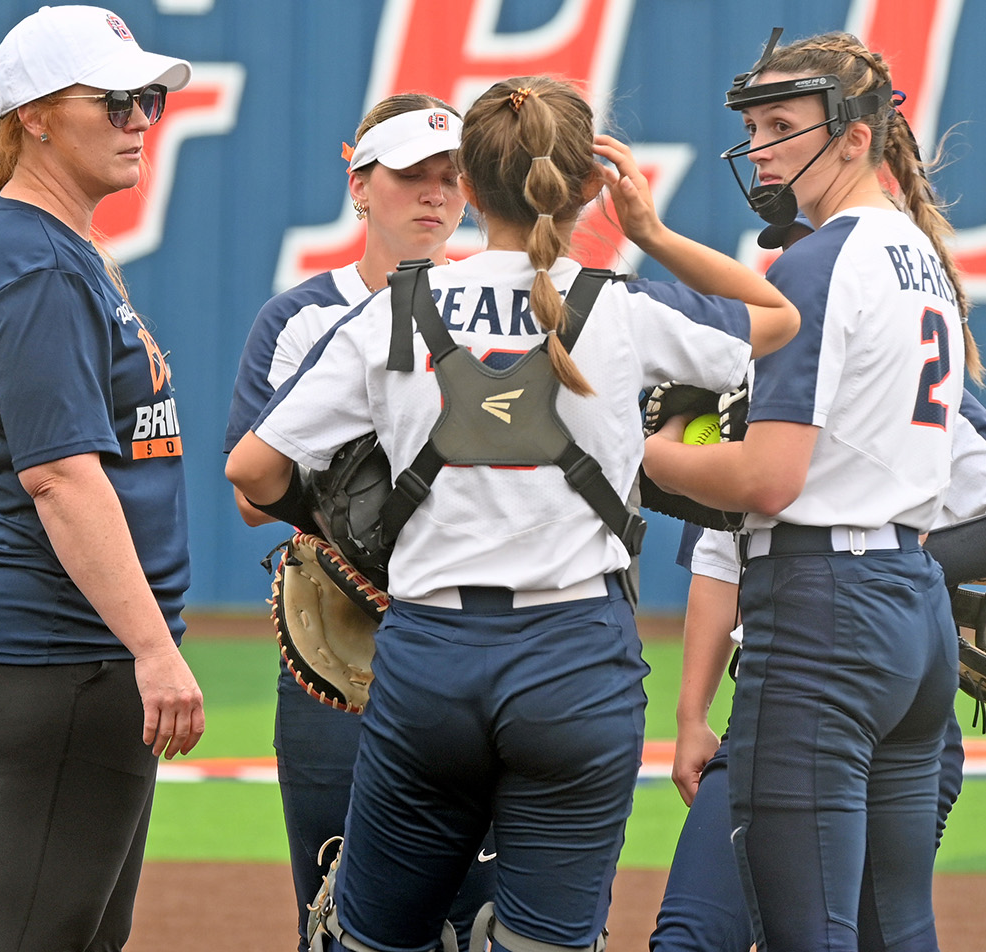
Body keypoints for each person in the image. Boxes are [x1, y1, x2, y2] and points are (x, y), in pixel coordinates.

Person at [229, 75, 797, 952]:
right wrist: (647, 230)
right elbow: (777, 316)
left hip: (428, 659)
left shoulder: (394, 309)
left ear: (466, 182)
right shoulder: (621, 308)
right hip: (574, 660)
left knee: (376, 938)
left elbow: (254, 470)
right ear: (582, 187)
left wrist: (363, 536)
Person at [641, 29, 977, 951]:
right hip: (913, 604)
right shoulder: (920, 254)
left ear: (858, 135)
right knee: (894, 927)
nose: (762, 147)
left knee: (809, 931)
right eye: (754, 126)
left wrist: (641, 457)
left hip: (826, 609)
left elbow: (769, 478)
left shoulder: (819, 259)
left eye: (784, 124)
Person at [0, 7, 202, 950]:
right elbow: (58, 478)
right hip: (60, 648)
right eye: (118, 99)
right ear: (36, 116)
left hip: (77, 651)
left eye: (152, 100)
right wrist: (152, 649)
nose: (141, 118)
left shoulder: (56, 248)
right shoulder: (34, 259)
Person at [221, 92, 496, 952]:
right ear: (360, 186)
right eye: (412, 175)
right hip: (344, 643)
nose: (435, 196)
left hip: (476, 636)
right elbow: (246, 489)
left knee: (482, 906)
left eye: (451, 179)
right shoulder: (303, 317)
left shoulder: (499, 304)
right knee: (336, 900)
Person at [653, 392, 986, 952]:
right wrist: (691, 715)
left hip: (887, 701)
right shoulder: (753, 376)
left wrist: (894, 569)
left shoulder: (911, 366)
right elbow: (719, 562)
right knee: (696, 936)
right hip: (778, 693)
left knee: (863, 935)